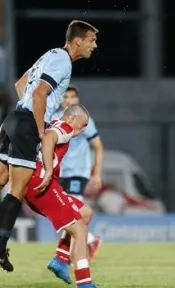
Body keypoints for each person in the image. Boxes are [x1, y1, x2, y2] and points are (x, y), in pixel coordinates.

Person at [0, 20, 98, 272]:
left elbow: (21, 86)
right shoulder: (63, 61)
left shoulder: (49, 55)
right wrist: (38, 129)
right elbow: (39, 94)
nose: (95, 45)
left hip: (14, 119)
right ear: (78, 40)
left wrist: (18, 126)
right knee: (18, 187)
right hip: (27, 123)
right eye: (92, 40)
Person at [25, 104, 98, 287]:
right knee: (79, 229)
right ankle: (84, 283)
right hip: (43, 185)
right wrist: (49, 170)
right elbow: (48, 139)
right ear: (72, 118)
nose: (83, 130)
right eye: (83, 125)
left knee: (86, 213)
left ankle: (60, 259)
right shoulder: (65, 127)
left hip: (41, 184)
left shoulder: (54, 123)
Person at [50, 85, 104, 260]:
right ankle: (90, 240)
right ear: (60, 99)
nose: (68, 100)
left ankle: (64, 257)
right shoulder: (54, 118)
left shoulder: (84, 120)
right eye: (65, 96)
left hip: (78, 172)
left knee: (72, 212)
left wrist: (96, 174)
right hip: (59, 172)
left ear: (77, 99)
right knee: (63, 212)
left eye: (72, 96)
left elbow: (98, 147)